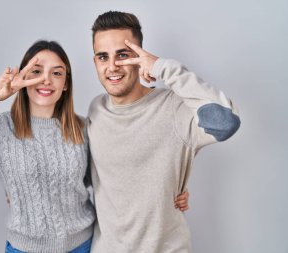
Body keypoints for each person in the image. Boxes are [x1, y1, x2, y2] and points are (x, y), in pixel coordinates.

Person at [0, 39, 190, 253]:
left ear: (65, 84)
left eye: (56, 73)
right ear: (23, 79)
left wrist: (169, 191)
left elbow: (115, 176)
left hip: (83, 245)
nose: (46, 80)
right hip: (24, 248)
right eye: (36, 72)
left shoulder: (83, 127)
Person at [87, 11, 241, 252]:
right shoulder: (96, 110)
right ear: (95, 61)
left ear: (140, 57)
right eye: (102, 57)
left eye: (123, 55)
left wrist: (162, 67)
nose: (112, 66)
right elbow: (81, 175)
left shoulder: (175, 108)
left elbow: (226, 123)